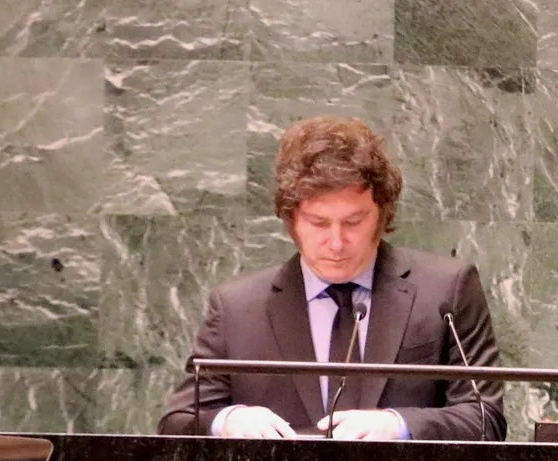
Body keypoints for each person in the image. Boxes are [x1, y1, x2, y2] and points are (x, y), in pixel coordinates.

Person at [157, 116, 506, 441]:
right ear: (292, 218)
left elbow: (485, 419)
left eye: (354, 222)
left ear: (383, 213)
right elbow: (178, 421)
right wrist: (229, 420)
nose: (336, 243)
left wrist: (398, 424)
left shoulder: (447, 289)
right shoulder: (237, 308)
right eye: (319, 223)